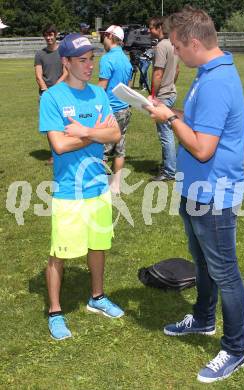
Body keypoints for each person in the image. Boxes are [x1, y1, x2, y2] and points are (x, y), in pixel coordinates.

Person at [146, 7, 244, 383]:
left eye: (176, 47)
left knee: (225, 272)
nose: (175, 53)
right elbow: (198, 122)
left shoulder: (219, 80)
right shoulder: (208, 74)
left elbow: (203, 148)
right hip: (196, 189)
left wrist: (169, 119)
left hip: (215, 194)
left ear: (192, 43)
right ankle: (204, 319)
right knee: (202, 263)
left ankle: (236, 349)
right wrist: (167, 109)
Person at [39, 33, 124, 341]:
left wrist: (86, 131)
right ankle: (55, 311)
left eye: (92, 60)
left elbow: (114, 134)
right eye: (82, 61)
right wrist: (96, 133)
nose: (90, 66)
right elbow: (60, 145)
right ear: (66, 62)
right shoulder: (52, 98)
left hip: (98, 188)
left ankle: (97, 297)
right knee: (59, 252)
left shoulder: (99, 95)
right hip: (68, 191)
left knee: (98, 245)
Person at [98, 25, 133, 194]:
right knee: (120, 149)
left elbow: (101, 87)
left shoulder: (107, 59)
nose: (102, 39)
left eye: (104, 35)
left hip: (110, 111)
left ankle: (98, 185)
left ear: (110, 36)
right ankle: (116, 186)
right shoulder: (126, 59)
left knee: (101, 149)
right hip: (125, 109)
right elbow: (128, 87)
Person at [148, 16, 179, 181]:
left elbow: (158, 73)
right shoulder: (173, 44)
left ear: (159, 27)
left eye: (151, 27)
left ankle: (169, 172)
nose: (148, 30)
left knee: (165, 133)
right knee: (167, 132)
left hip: (163, 97)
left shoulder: (161, 46)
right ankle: (167, 165)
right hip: (172, 93)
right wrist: (170, 85)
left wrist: (154, 95)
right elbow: (178, 70)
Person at [34, 24, 68, 164]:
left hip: (62, 93)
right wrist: (46, 92)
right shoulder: (40, 54)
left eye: (51, 34)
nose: (49, 37)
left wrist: (54, 89)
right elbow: (38, 76)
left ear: (56, 35)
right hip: (46, 94)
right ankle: (54, 154)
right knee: (50, 125)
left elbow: (66, 72)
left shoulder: (63, 52)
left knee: (65, 123)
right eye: (46, 35)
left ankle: (66, 151)